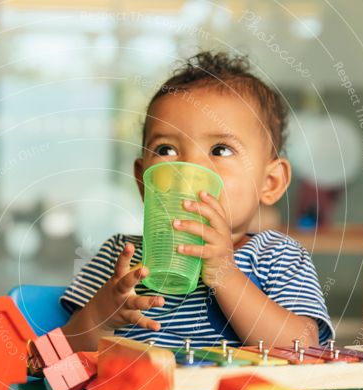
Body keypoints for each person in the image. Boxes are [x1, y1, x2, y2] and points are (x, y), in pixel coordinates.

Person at [61, 51, 334, 351]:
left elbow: (304, 347)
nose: (188, 170)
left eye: (220, 150)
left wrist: (225, 274)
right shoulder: (120, 256)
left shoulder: (277, 257)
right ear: (143, 180)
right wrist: (102, 314)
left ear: (270, 182)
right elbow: (60, 353)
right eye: (165, 150)